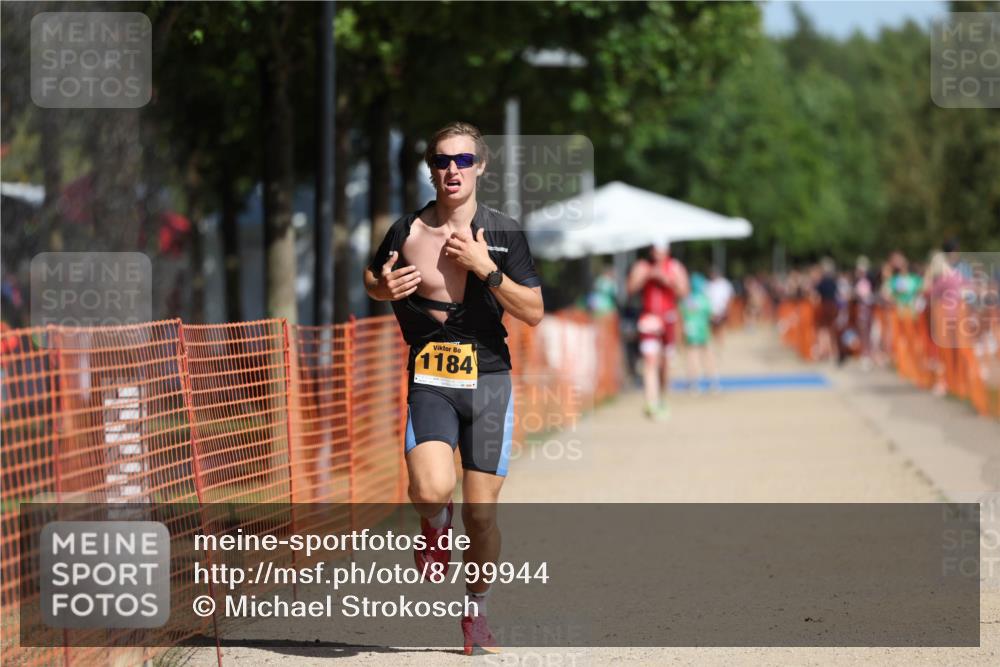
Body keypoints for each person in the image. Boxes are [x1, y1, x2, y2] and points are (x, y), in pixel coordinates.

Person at [363, 121, 543, 655]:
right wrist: (381, 289)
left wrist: (487, 270)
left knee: (481, 517)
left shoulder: (503, 232)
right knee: (429, 490)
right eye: (442, 160)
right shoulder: (406, 231)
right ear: (431, 169)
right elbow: (372, 278)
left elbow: (534, 311)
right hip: (431, 381)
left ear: (480, 167)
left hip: (489, 382)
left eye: (463, 160)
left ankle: (476, 613)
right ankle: (435, 523)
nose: (452, 170)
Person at [627, 240, 689, 420]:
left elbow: (684, 292)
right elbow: (630, 289)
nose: (657, 253)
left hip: (669, 319)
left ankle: (661, 396)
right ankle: (651, 402)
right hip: (649, 319)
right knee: (650, 360)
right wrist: (646, 276)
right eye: (655, 249)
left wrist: (667, 280)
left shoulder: (675, 267)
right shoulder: (642, 266)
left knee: (665, 364)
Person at [681, 273, 720, 393]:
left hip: (690, 332)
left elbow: (682, 315)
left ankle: (693, 383)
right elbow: (712, 315)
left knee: (692, 357)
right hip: (703, 331)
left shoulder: (686, 300)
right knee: (708, 357)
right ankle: (713, 382)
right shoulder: (704, 300)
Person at [813, 258, 839, 362]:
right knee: (831, 330)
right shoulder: (833, 282)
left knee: (823, 330)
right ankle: (833, 352)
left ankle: (824, 351)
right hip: (833, 307)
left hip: (824, 307)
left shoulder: (822, 282)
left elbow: (815, 296)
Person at [706, 266, 734, 350]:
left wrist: (727, 309)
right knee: (713, 328)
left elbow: (729, 297)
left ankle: (720, 345)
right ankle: (716, 344)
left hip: (722, 310)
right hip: (711, 311)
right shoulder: (708, 284)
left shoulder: (724, 284)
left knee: (721, 327)